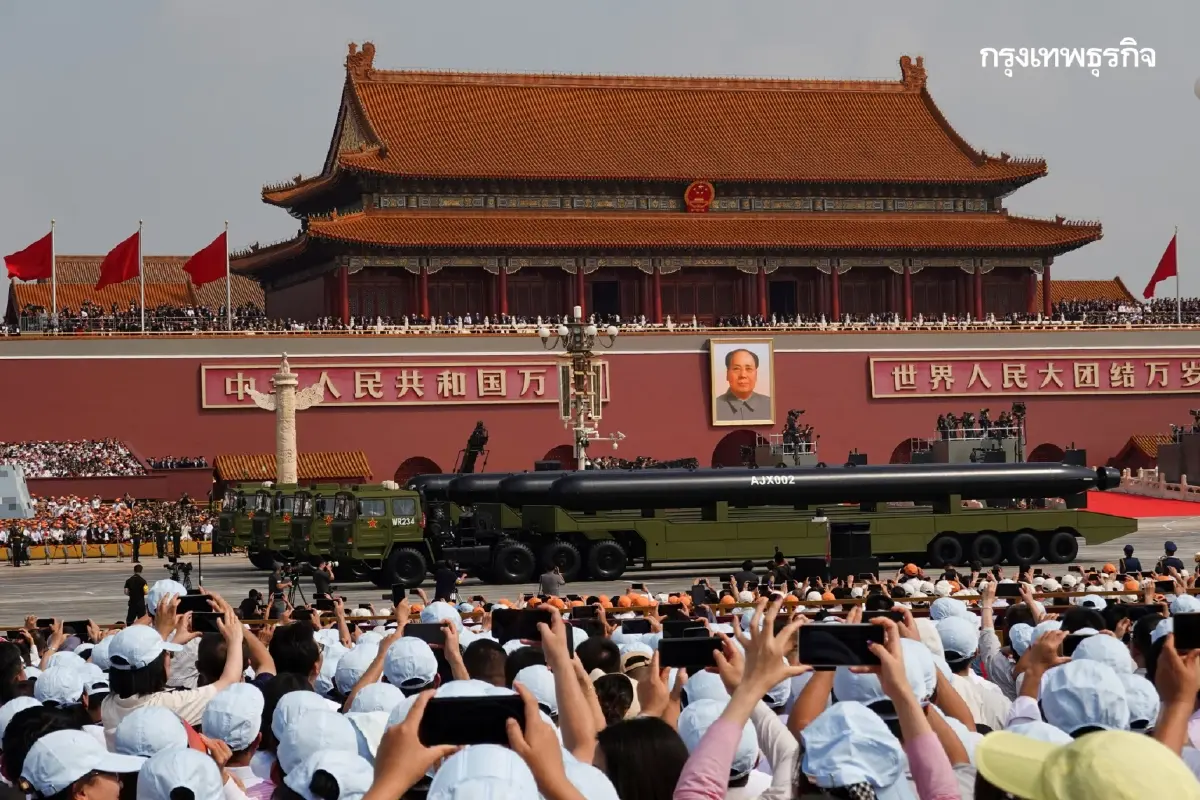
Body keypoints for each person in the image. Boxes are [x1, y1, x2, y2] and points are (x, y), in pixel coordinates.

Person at [714, 347, 772, 422]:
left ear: (756, 374)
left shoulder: (770, 405)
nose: (743, 375)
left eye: (749, 369)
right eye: (736, 369)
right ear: (727, 374)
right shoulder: (715, 407)